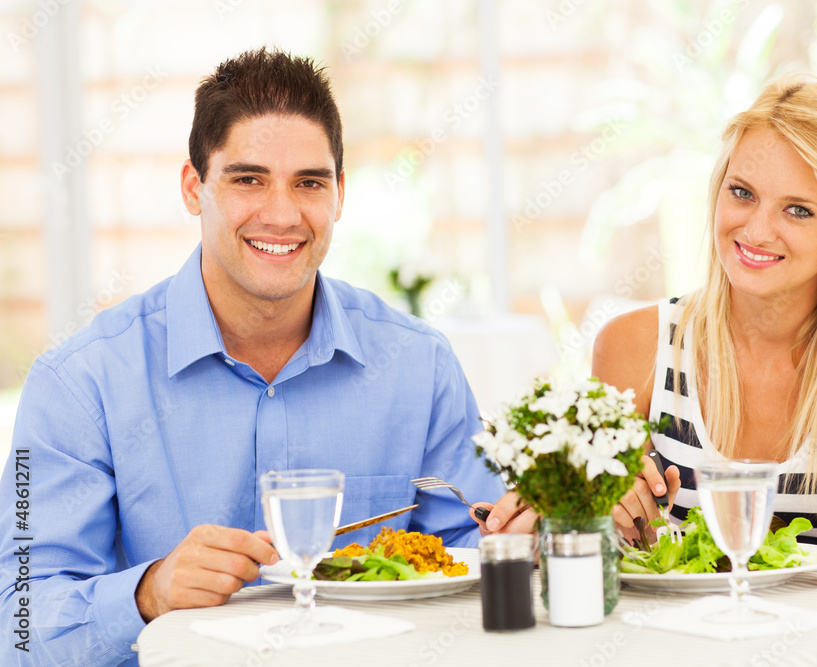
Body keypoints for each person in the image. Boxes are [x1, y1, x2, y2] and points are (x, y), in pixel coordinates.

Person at [0, 48, 507, 667]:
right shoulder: (77, 384)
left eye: (309, 183)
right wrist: (148, 591)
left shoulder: (419, 366)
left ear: (340, 195)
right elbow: (18, 625)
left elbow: (480, 554)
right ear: (194, 187)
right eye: (248, 179)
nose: (282, 214)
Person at [593, 74, 817, 616]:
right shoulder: (635, 345)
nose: (757, 230)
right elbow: (586, 566)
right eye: (742, 193)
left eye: (798, 209)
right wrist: (601, 516)